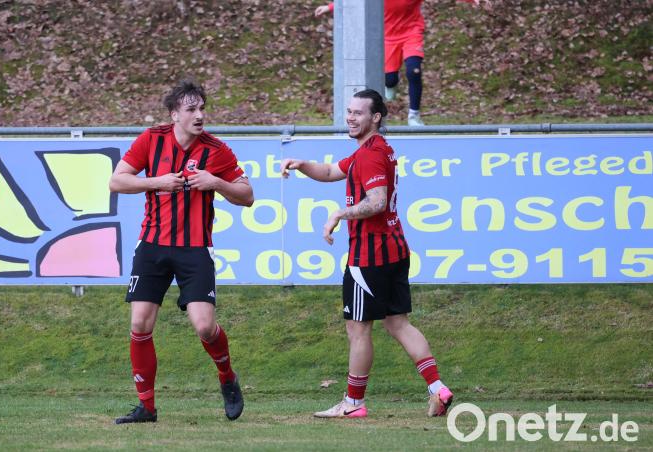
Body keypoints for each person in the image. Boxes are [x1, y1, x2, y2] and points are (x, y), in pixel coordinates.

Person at [281, 89, 452, 418]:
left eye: (358, 113)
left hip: (370, 255)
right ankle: (438, 389)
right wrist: (303, 165)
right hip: (395, 248)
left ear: (375, 118)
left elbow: (376, 202)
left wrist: (338, 214)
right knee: (398, 323)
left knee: (358, 329)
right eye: (349, 111)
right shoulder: (372, 150)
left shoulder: (371, 154)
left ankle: (353, 403)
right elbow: (332, 172)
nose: (351, 117)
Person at [109, 79, 254, 424]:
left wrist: (215, 182)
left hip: (194, 250)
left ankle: (227, 378)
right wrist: (155, 182)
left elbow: (247, 196)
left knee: (205, 327)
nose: (200, 115)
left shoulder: (216, 150)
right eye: (191, 109)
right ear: (175, 114)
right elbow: (117, 181)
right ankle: (146, 406)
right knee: (140, 323)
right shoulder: (151, 139)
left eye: (202, 108)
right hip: (152, 246)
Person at [315, 0, 490, 126]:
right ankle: (391, 85)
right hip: (388, 36)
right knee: (389, 79)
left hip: (411, 32)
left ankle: (414, 116)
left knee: (414, 71)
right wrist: (330, 7)